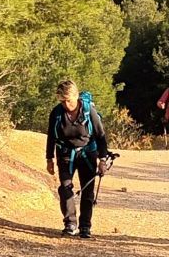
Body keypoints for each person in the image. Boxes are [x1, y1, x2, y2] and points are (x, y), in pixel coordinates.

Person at [44, 80, 111, 238]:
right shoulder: (57, 113)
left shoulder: (89, 111)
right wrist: (49, 159)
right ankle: (70, 223)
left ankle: (85, 226)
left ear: (76, 96)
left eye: (69, 100)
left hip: (87, 153)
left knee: (87, 191)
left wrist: (102, 160)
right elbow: (51, 137)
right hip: (65, 154)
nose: (66, 104)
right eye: (62, 101)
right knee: (65, 188)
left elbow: (101, 136)